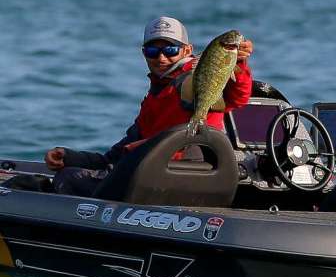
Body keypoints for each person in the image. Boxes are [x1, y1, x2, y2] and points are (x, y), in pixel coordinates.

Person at [45, 16, 253, 196]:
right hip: (147, 177)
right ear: (144, 52)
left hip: (172, 179)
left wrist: (239, 63)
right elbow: (119, 153)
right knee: (69, 172)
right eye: (153, 50)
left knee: (67, 178)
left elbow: (238, 97)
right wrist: (70, 157)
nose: (161, 57)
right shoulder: (156, 94)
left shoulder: (193, 80)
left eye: (170, 49)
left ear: (187, 50)